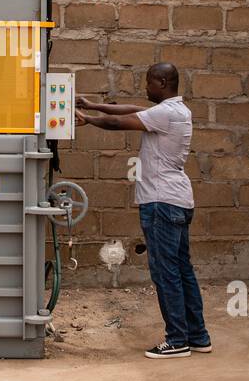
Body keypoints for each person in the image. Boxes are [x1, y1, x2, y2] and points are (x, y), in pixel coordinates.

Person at [74, 63, 210, 359]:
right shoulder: (176, 110)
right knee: (182, 270)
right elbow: (131, 110)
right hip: (179, 201)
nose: (145, 87)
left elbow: (117, 123)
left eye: (148, 82)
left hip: (161, 203)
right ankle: (197, 335)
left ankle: (177, 340)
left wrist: (88, 119)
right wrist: (94, 104)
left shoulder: (165, 114)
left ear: (161, 82)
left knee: (166, 273)